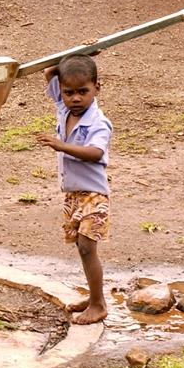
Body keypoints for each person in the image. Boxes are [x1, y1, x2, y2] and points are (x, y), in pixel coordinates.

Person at [36, 54, 112, 325]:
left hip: (93, 195)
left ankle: (99, 304)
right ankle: (93, 297)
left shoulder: (98, 122)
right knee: (81, 248)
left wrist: (61, 145)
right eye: (69, 92)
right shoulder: (64, 108)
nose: (76, 98)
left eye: (83, 91)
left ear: (97, 88)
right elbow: (49, 72)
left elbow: (94, 152)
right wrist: (79, 56)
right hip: (73, 194)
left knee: (87, 247)